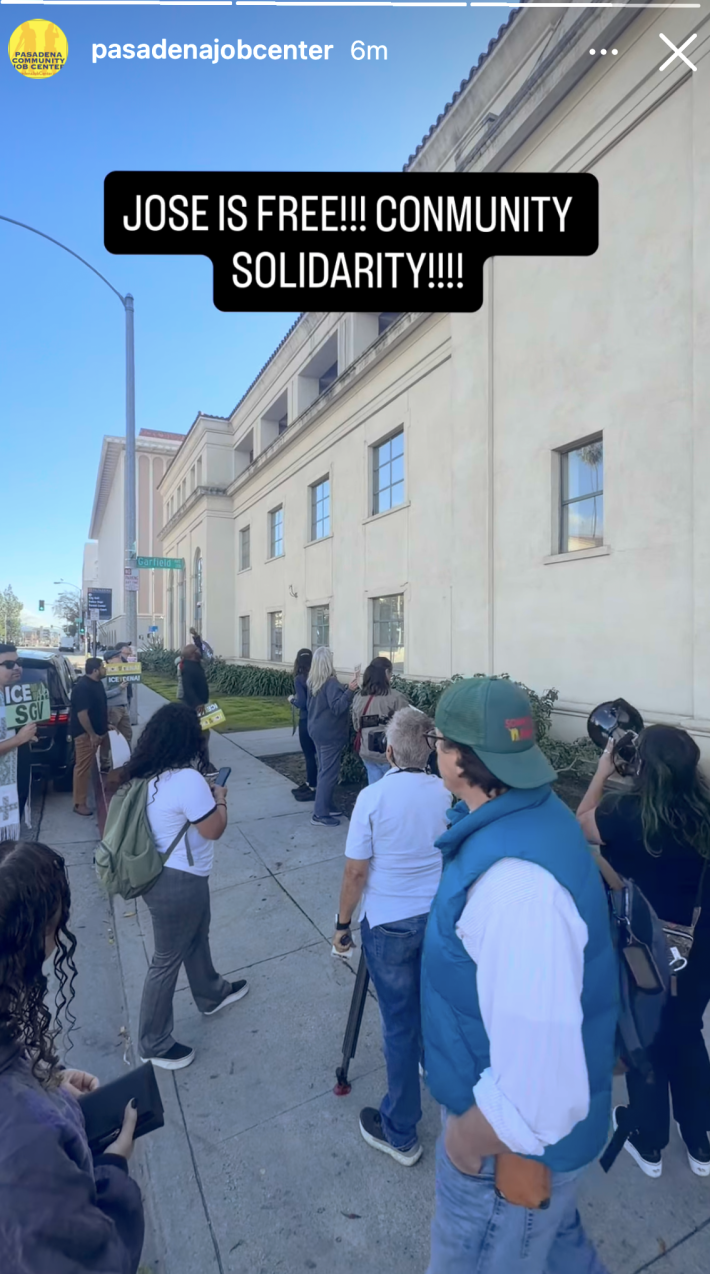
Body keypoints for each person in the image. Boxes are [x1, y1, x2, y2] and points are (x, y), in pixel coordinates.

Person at [421, 677, 617, 1274]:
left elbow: (539, 1098)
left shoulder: (515, 887)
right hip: (523, 1144)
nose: (435, 750)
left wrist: (463, 1143)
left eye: (438, 739)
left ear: (457, 758)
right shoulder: (532, 813)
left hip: (508, 1156)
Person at [0, 839, 145, 1272]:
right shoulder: (26, 1142)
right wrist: (111, 1168)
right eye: (55, 928)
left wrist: (44, 1084)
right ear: (32, 940)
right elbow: (94, 1260)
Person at [577, 724, 710, 1178]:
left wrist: (602, 771)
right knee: (687, 1032)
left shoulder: (625, 812)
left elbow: (581, 825)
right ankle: (700, 1140)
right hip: (698, 948)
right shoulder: (706, 813)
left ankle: (649, 1142)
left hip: (643, 950)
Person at [333, 706, 451, 1165]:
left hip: (390, 927)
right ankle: (433, 1075)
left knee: (398, 1026)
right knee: (431, 1009)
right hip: (436, 921)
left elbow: (355, 873)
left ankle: (400, 1130)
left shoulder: (374, 798)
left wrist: (342, 925)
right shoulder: (448, 793)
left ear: (388, 750)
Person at [122, 701, 248, 1070]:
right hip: (180, 882)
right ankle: (153, 1042)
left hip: (163, 877)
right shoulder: (188, 780)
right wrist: (220, 800)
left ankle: (211, 992)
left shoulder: (152, 775)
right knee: (166, 960)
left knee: (196, 937)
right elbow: (213, 829)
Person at [306, 648, 359, 827]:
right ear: (328, 662)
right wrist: (351, 690)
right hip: (329, 734)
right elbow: (338, 707)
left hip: (316, 731)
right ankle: (320, 814)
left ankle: (326, 804)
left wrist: (344, 690)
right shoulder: (330, 683)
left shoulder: (313, 682)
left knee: (324, 770)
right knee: (328, 773)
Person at [352, 657, 410, 785]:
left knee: (374, 787)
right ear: (386, 673)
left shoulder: (359, 697)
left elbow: (356, 726)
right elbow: (407, 726)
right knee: (389, 790)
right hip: (388, 754)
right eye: (391, 673)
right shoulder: (396, 697)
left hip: (366, 750)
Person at [0, 644, 38, 840]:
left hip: (17, 779)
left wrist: (25, 736)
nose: (16, 668)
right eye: (8, 664)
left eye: (18, 662)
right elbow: (13, 739)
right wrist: (18, 739)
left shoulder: (12, 696)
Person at [70, 658, 108, 818]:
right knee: (82, 769)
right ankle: (79, 803)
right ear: (95, 670)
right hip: (85, 735)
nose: (105, 669)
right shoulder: (83, 688)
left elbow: (99, 708)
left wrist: (107, 725)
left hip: (99, 733)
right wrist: (92, 734)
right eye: (102, 667)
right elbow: (82, 714)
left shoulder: (97, 683)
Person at [289, 648, 317, 801]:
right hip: (318, 719)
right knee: (316, 754)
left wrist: (291, 700)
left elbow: (302, 703)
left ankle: (312, 785)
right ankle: (310, 782)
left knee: (309, 755)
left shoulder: (300, 679)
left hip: (305, 720)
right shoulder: (317, 677)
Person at [102, 646, 133, 766]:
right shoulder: (104, 674)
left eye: (119, 656)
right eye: (116, 657)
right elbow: (102, 694)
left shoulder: (122, 670)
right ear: (109, 661)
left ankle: (127, 760)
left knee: (127, 734)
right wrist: (119, 689)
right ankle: (105, 762)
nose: (119, 658)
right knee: (109, 737)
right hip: (112, 708)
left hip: (123, 706)